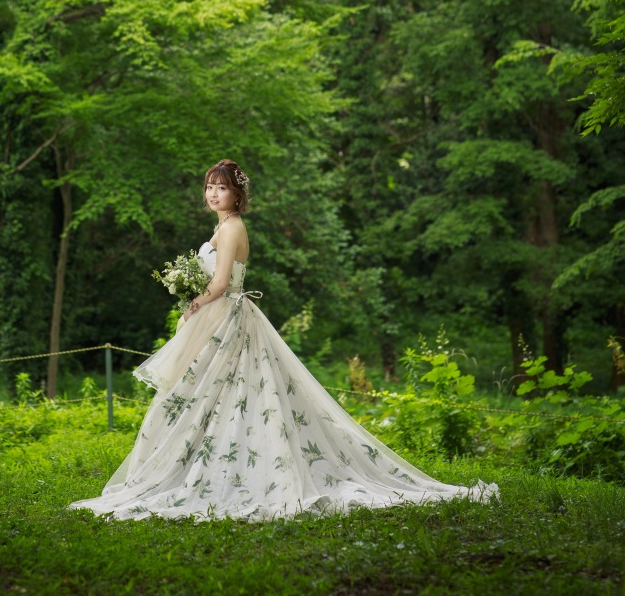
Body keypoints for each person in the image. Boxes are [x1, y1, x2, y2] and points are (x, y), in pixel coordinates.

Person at [68, 159, 497, 521]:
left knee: (232, 392)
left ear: (237, 196)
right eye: (209, 188)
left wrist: (193, 302)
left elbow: (219, 282)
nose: (214, 194)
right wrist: (191, 300)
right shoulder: (221, 227)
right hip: (213, 316)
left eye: (222, 188)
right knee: (200, 394)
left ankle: (238, 468)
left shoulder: (234, 227)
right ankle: (185, 464)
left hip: (225, 317)